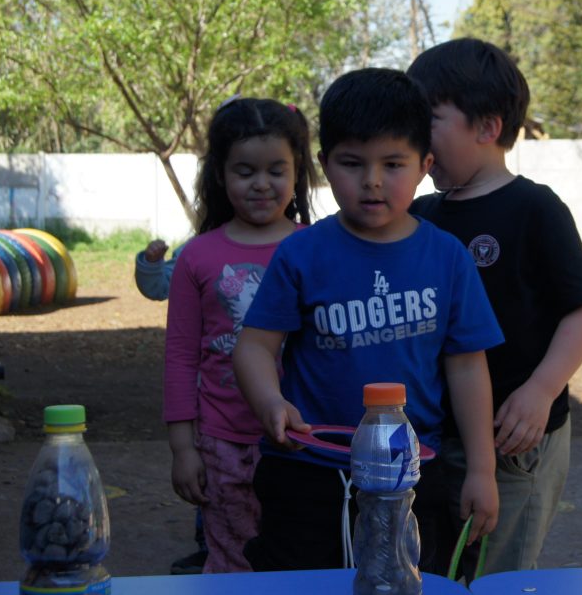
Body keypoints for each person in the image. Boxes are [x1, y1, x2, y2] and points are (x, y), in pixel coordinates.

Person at [233, 68, 503, 575]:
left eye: (393, 164)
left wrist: (482, 470)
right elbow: (254, 346)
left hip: (411, 474)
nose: (373, 181)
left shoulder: (447, 257)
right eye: (352, 163)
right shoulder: (301, 253)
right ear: (323, 165)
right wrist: (270, 401)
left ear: (424, 166)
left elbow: (468, 366)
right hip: (308, 470)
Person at [407, 38, 582, 576]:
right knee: (439, 573)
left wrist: (541, 390)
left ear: (488, 127)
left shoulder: (535, 208)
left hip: (515, 439)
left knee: (499, 575)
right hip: (435, 438)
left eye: (429, 120)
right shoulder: (421, 214)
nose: (415, 136)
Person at [162, 98, 316, 574]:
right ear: (220, 174)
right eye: (245, 171)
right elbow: (180, 357)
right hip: (222, 443)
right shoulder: (196, 257)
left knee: (301, 562)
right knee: (233, 563)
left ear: (297, 172)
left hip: (305, 443)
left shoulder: (316, 247)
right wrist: (184, 449)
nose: (261, 184)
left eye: (276, 170)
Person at [133, 237, 208, 575]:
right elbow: (159, 286)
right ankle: (208, 545)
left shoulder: (294, 245)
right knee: (209, 471)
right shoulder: (194, 252)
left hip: (275, 392)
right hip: (211, 393)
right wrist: (151, 264)